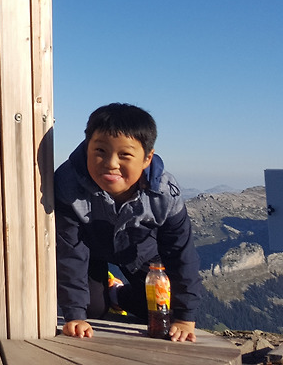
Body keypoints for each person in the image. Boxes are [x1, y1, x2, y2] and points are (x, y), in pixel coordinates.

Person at [55, 102, 203, 342]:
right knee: (92, 310)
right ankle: (103, 291)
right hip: (90, 250)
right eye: (100, 150)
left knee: (161, 310)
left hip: (141, 250)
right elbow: (70, 251)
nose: (111, 163)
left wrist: (185, 316)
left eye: (125, 155)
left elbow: (180, 253)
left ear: (147, 158)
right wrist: (75, 315)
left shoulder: (164, 193)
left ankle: (118, 295)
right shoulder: (68, 184)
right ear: (87, 147)